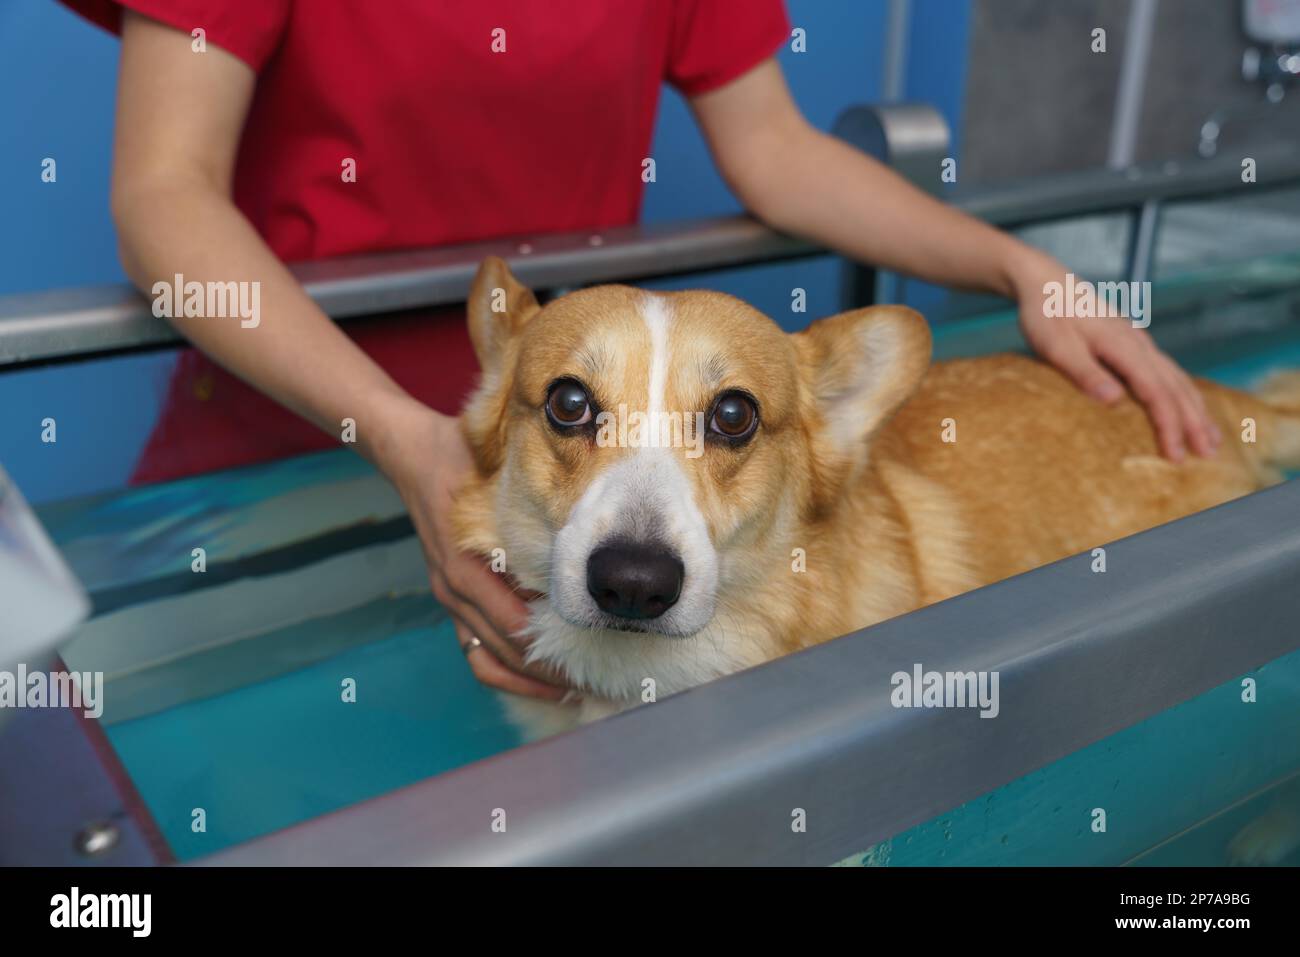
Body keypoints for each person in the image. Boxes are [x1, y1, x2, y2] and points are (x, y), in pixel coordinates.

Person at [63, 0, 1220, 701]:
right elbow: (164, 192)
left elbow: (771, 147)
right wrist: (400, 436)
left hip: (612, 477)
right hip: (290, 449)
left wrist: (1019, 267)